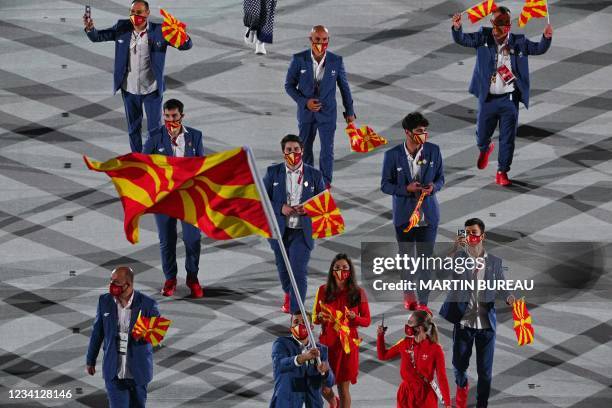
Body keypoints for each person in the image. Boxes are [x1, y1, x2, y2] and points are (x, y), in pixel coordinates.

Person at [451, 7, 553, 186]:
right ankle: (485, 148)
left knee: (508, 139)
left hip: (509, 100)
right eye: (500, 23)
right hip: (488, 99)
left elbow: (538, 49)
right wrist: (457, 27)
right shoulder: (483, 37)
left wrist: (546, 37)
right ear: (492, 23)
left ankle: (502, 171)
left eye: (507, 23)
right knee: (482, 135)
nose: (505, 27)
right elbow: (462, 39)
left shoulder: (518, 42)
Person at [83, 0, 193, 153]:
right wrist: (90, 29)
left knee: (154, 130)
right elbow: (98, 37)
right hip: (129, 90)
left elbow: (186, 46)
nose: (135, 16)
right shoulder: (122, 27)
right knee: (133, 128)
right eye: (132, 12)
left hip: (152, 90)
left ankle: (154, 159)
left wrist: (182, 34)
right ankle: (137, 159)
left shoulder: (160, 31)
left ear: (147, 13)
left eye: (139, 12)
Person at [439, 218, 516, 408]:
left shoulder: (495, 263)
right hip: (464, 322)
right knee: (458, 366)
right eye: (467, 233)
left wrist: (509, 297)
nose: (470, 236)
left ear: (483, 235)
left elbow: (502, 286)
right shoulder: (459, 258)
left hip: (486, 325)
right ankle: (462, 386)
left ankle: (482, 405)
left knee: (485, 371)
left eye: (474, 232)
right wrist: (454, 248)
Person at [380, 112, 444, 309]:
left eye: (425, 131)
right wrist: (405, 189)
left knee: (425, 261)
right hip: (404, 217)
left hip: (428, 216)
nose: (423, 134)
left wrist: (434, 187)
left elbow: (441, 178)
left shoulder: (433, 151)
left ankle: (423, 301)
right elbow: (385, 185)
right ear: (407, 132)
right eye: (419, 131)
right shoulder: (392, 155)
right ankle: (409, 293)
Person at [142, 98, 204, 298]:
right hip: (165, 199)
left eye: (174, 116)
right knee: (167, 241)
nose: (170, 120)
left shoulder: (195, 136)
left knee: (192, 239)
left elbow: (201, 166)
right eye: (167, 116)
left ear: (182, 116)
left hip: (189, 198)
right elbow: (144, 164)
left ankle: (192, 278)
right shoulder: (155, 137)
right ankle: (170, 279)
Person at [284, 25, 356, 187]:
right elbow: (289, 85)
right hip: (306, 114)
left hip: (327, 114)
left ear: (328, 41)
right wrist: (305, 102)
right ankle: (309, 182)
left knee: (327, 151)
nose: (321, 43)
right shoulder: (298, 59)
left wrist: (349, 112)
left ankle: (325, 184)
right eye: (317, 39)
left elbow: (344, 88)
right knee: (305, 150)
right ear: (310, 40)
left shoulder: (336, 61)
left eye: (324, 40)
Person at [263, 134, 325, 313]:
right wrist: (280, 207)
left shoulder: (314, 174)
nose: (293, 153)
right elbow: (261, 199)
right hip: (279, 232)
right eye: (289, 150)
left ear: (302, 151)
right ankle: (289, 294)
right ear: (283, 153)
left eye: (296, 149)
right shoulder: (272, 172)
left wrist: (309, 209)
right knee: (283, 271)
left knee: (298, 272)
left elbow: (324, 202)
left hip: (302, 232)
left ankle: (296, 314)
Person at [86, 266, 160, 408]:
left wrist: (143, 333)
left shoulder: (148, 304)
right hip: (113, 371)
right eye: (111, 281)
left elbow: (156, 335)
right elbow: (97, 333)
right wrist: (90, 360)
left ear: (129, 284)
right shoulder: (104, 301)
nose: (112, 286)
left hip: (138, 372)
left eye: (116, 283)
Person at [312, 254, 371, 408]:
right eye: (337, 267)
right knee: (323, 386)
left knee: (343, 389)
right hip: (327, 345)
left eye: (344, 267)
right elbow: (314, 318)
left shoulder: (359, 292)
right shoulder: (322, 290)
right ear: (332, 271)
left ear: (350, 271)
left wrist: (354, 318)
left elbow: (366, 320)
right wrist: (319, 316)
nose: (340, 270)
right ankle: (333, 401)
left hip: (347, 347)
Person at [377, 308, 451, 408]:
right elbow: (383, 356)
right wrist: (380, 336)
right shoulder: (404, 343)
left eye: (410, 323)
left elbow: (442, 378)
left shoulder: (435, 349)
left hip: (425, 396)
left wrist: (448, 404)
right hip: (405, 394)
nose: (407, 325)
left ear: (419, 328)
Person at [270, 312, 335, 408]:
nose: (300, 325)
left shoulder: (321, 350)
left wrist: (326, 372)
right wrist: (303, 357)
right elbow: (280, 365)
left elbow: (330, 382)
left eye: (304, 322)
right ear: (291, 327)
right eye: (296, 322)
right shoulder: (281, 344)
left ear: (311, 327)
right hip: (287, 403)